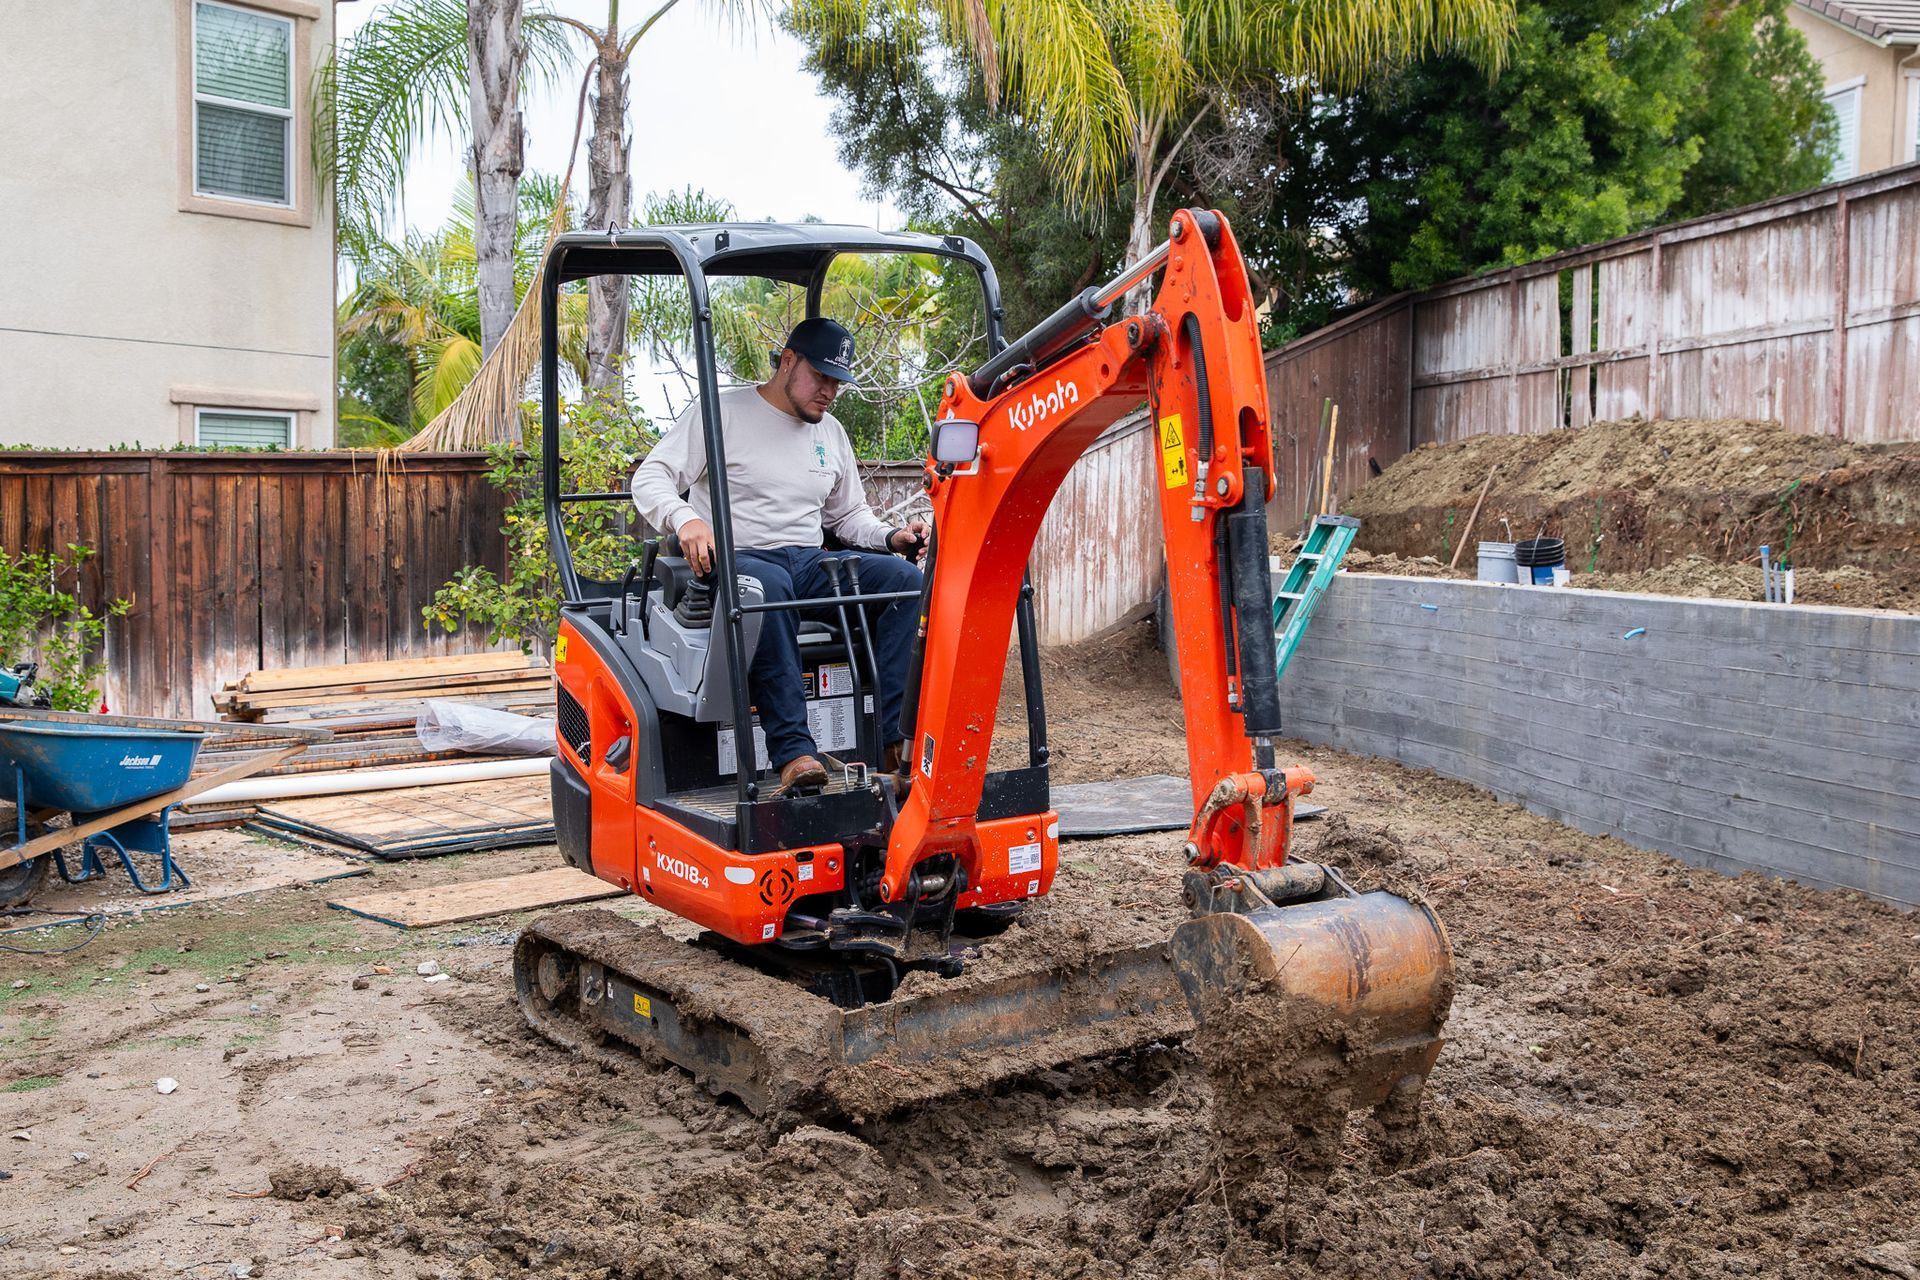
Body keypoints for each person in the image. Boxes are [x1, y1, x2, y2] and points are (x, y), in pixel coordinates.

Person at [631, 318, 930, 793]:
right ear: (788, 361)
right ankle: (794, 754)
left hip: (810, 563)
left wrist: (892, 537)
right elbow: (650, 478)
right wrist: (685, 519)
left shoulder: (830, 433)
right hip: (738, 561)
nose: (830, 391)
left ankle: (894, 744)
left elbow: (848, 514)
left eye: (838, 382)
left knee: (906, 582)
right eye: (822, 377)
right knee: (769, 591)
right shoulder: (721, 413)